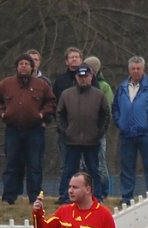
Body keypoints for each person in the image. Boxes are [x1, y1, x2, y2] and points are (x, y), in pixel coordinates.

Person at [0, 54, 56, 205]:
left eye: (27, 63)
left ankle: (35, 198)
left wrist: (42, 114)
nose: (24, 66)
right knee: (11, 164)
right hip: (13, 130)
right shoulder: (6, 84)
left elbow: (51, 102)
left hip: (35, 130)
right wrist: (2, 113)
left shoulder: (41, 85)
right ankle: (9, 197)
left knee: (35, 165)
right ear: (17, 67)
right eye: (21, 64)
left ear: (32, 68)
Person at [112, 55, 148, 206]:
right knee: (127, 167)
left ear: (143, 69)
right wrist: (120, 122)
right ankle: (126, 197)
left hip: (146, 133)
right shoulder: (122, 87)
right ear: (129, 70)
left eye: (138, 68)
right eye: (133, 68)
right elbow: (115, 108)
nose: (136, 71)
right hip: (126, 134)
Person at [56, 64, 109, 200]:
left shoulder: (99, 95)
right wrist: (65, 131)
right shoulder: (66, 94)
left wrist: (99, 132)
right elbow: (59, 114)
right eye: (81, 76)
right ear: (76, 77)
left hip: (92, 140)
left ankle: (97, 196)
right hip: (72, 140)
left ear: (91, 77)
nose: (83, 79)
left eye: (86, 76)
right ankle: (65, 196)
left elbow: (106, 115)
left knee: (94, 170)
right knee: (69, 170)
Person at [52, 47, 84, 202]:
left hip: (86, 131)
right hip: (65, 130)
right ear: (66, 61)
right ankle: (65, 195)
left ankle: (89, 194)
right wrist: (61, 126)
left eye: (77, 57)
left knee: (88, 165)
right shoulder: (60, 81)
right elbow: (55, 105)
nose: (74, 60)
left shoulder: (89, 78)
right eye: (71, 57)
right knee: (67, 165)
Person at [84, 55, 114, 196]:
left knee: (100, 163)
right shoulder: (79, 85)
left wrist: (100, 129)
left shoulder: (104, 87)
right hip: (81, 132)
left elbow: (108, 110)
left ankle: (104, 191)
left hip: (98, 132)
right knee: (83, 164)